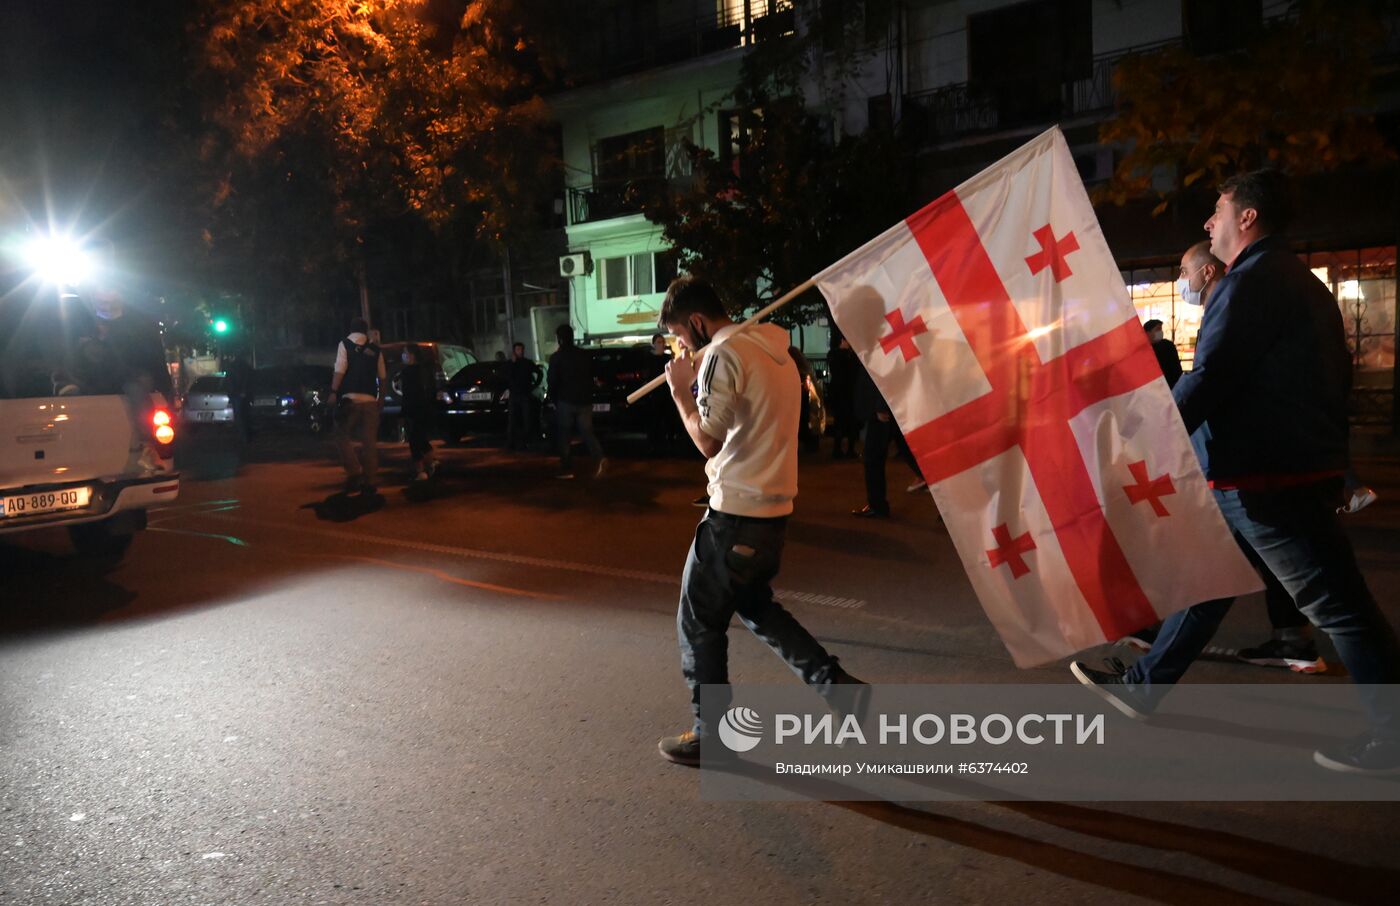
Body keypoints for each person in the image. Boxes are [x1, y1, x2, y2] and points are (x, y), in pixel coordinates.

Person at [1071, 170, 1400, 775]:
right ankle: (1144, 685)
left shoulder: (1255, 282)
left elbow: (1213, 378)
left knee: (1341, 610)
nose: (1208, 221)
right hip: (1267, 473)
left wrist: (1143, 430)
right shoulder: (1283, 279)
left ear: (1247, 217)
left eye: (1217, 209)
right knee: (1209, 582)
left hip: (1271, 482)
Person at [655, 276, 864, 766]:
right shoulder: (776, 353)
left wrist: (682, 394)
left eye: (682, 336)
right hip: (772, 515)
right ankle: (839, 689)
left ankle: (713, 735)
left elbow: (708, 441)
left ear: (698, 322)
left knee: (698, 622)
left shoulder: (725, 357)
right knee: (758, 609)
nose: (683, 346)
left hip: (733, 517)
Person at [850, 362, 925, 519]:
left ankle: (877, 506)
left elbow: (882, 373)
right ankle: (945, 494)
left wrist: (880, 407)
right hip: (889, 407)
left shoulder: (875, 345)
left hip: (883, 412)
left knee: (873, 459)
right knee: (909, 452)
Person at [328, 316, 386, 494]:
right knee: (369, 442)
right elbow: (382, 377)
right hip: (370, 401)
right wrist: (381, 399)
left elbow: (340, 369)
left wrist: (333, 392)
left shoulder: (344, 344)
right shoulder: (376, 349)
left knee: (341, 434)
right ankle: (370, 481)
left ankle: (354, 472)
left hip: (350, 400)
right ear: (365, 330)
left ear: (350, 329)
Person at [547, 324, 606, 479]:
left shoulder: (556, 358)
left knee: (565, 434)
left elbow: (552, 381)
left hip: (566, 400)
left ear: (559, 339)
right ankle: (600, 459)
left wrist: (552, 399)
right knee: (587, 433)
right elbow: (594, 373)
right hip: (584, 400)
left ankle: (567, 468)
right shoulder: (584, 355)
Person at [398, 344, 438, 481]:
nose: (403, 355)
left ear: (411, 355)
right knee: (421, 438)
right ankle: (431, 462)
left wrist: (403, 414)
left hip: (414, 410)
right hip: (426, 409)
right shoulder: (426, 370)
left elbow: (407, 395)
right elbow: (433, 390)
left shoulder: (407, 372)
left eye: (405, 352)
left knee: (414, 440)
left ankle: (421, 470)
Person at [826, 335, 861, 458]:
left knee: (848, 422)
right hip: (842, 394)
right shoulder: (838, 355)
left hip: (847, 393)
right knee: (841, 422)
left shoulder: (848, 355)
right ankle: (838, 449)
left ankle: (848, 449)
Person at [505, 341, 541, 451]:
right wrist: (513, 363)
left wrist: (534, 385)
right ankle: (511, 444)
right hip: (514, 395)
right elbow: (506, 376)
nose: (520, 352)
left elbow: (539, 373)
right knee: (512, 420)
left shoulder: (527, 363)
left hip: (525, 394)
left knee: (527, 419)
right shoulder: (510, 363)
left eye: (521, 349)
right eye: (518, 350)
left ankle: (527, 442)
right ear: (514, 351)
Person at [1142, 319, 1183, 388]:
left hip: (1170, 385)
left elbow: (1176, 368)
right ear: (1148, 332)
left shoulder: (1168, 346)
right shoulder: (1143, 349)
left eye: (1161, 329)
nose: (1160, 332)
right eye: (1157, 329)